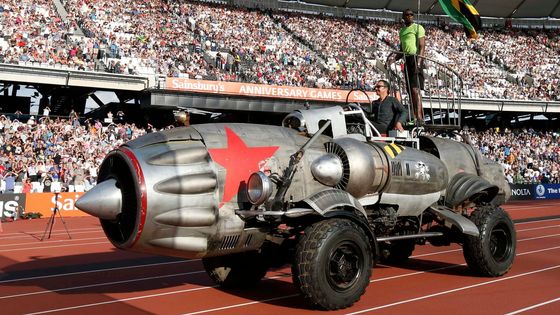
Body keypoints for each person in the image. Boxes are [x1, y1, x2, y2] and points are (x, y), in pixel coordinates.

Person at [387, 9, 425, 123]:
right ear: (403, 17)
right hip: (407, 59)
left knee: (415, 89)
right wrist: (393, 59)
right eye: (407, 15)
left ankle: (419, 116)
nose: (409, 16)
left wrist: (418, 62)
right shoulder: (402, 31)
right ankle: (414, 115)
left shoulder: (418, 27)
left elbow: (422, 46)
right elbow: (402, 50)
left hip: (416, 58)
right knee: (409, 90)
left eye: (411, 15)